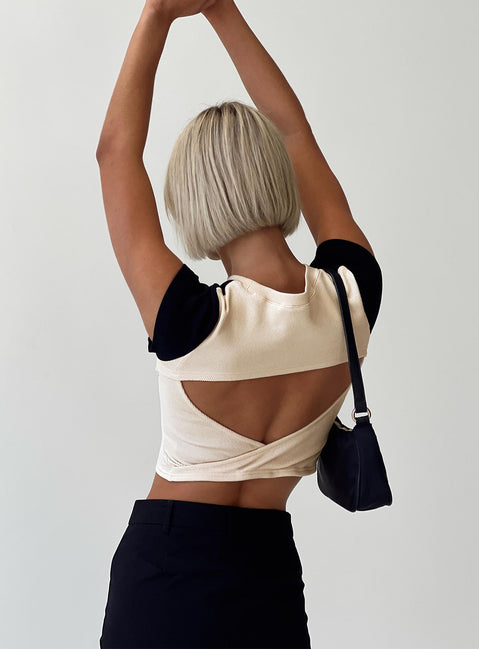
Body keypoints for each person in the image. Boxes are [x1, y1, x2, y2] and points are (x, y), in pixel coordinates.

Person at [95, 0, 383, 647]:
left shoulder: (189, 319)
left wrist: (158, 15)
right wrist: (222, 10)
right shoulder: (351, 296)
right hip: (268, 573)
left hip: (164, 576)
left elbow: (116, 155)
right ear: (281, 173)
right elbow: (295, 132)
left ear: (191, 201)